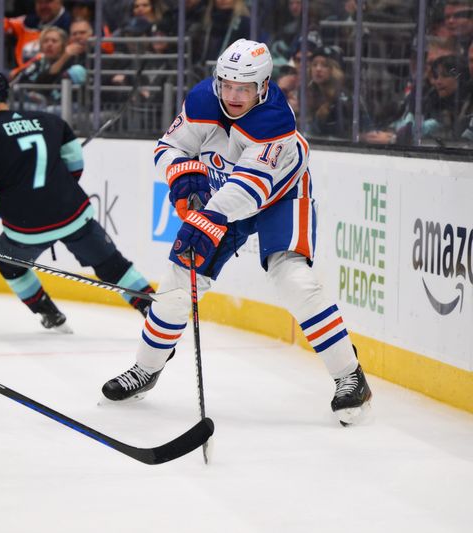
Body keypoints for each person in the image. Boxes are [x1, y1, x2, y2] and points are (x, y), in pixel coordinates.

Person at [101, 39, 373, 426]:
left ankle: (350, 376)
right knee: (179, 282)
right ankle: (146, 368)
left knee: (294, 279)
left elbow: (250, 189)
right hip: (220, 196)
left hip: (279, 196)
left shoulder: (275, 121)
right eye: (226, 85)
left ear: (262, 86)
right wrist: (184, 179)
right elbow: (170, 147)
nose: (232, 95)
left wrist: (205, 217)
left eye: (243, 88)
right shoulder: (201, 100)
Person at [0, 69, 155, 331]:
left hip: (26, 228)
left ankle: (49, 312)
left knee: (7, 262)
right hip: (72, 213)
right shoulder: (50, 121)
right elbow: (75, 165)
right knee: (111, 264)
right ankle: (151, 308)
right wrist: (53, 189)